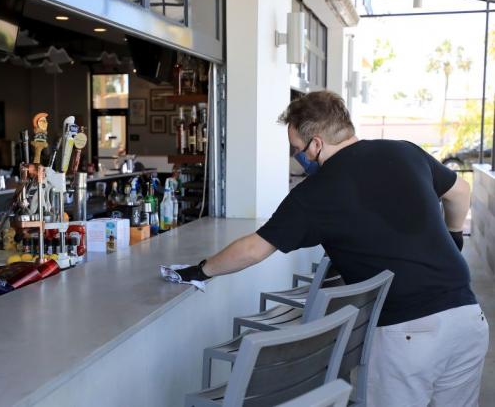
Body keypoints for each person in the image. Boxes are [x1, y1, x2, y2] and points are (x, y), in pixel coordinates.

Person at [177, 91, 489, 407]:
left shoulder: (316, 192)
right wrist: (454, 239)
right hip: (468, 318)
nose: (297, 156)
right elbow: (460, 193)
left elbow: (253, 249)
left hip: (408, 331)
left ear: (316, 144)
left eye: (297, 149)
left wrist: (200, 270)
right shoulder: (405, 151)